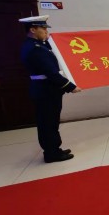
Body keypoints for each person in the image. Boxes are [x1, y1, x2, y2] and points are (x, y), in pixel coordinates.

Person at [19, 15, 81, 163]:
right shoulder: (35, 49)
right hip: (45, 92)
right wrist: (70, 87)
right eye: (43, 28)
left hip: (45, 90)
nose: (46, 32)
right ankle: (52, 153)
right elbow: (51, 73)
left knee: (50, 122)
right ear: (33, 30)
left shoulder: (36, 45)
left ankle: (54, 149)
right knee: (48, 123)